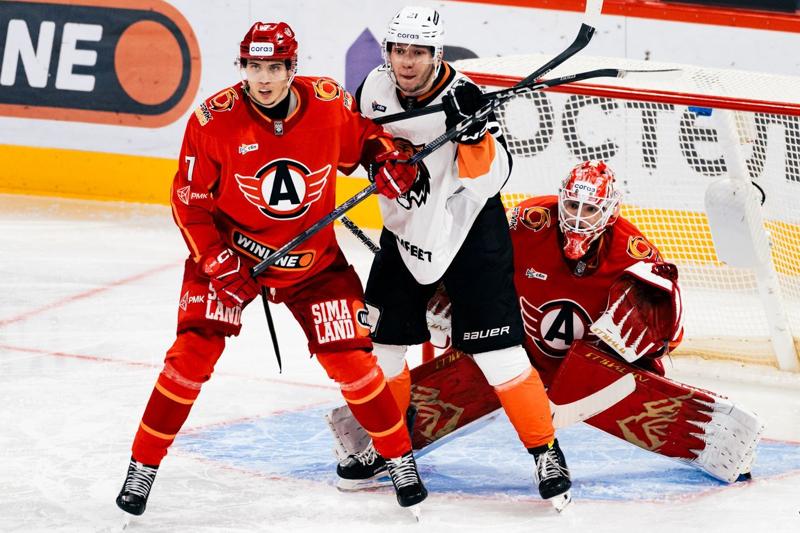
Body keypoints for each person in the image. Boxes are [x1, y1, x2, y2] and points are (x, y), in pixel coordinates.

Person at [115, 21, 428, 516]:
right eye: (254, 67)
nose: (264, 78)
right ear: (243, 68)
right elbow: (188, 202)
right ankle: (142, 466)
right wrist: (216, 261)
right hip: (230, 257)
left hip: (313, 265)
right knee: (189, 358)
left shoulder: (326, 104)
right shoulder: (213, 120)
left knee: (353, 363)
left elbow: (366, 141)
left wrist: (388, 159)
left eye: (275, 67)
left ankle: (399, 460)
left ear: (291, 68)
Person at [335, 6, 571, 508]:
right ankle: (389, 450)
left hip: (468, 230)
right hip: (404, 231)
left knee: (498, 353)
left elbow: (491, 180)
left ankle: (546, 452)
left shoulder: (466, 99)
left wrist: (474, 136)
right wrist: (379, 158)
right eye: (399, 50)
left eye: (418, 52)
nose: (407, 61)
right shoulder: (373, 88)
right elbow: (352, 152)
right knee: (382, 349)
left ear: (437, 54)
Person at [418, 159, 763, 483]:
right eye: (572, 205)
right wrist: (453, 288)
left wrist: (653, 335)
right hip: (518, 352)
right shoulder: (527, 222)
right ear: (561, 199)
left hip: (590, 366)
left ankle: (706, 442)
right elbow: (475, 253)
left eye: (590, 209)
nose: (578, 218)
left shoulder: (634, 254)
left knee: (627, 370)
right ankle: (395, 436)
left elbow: (670, 338)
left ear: (610, 212)